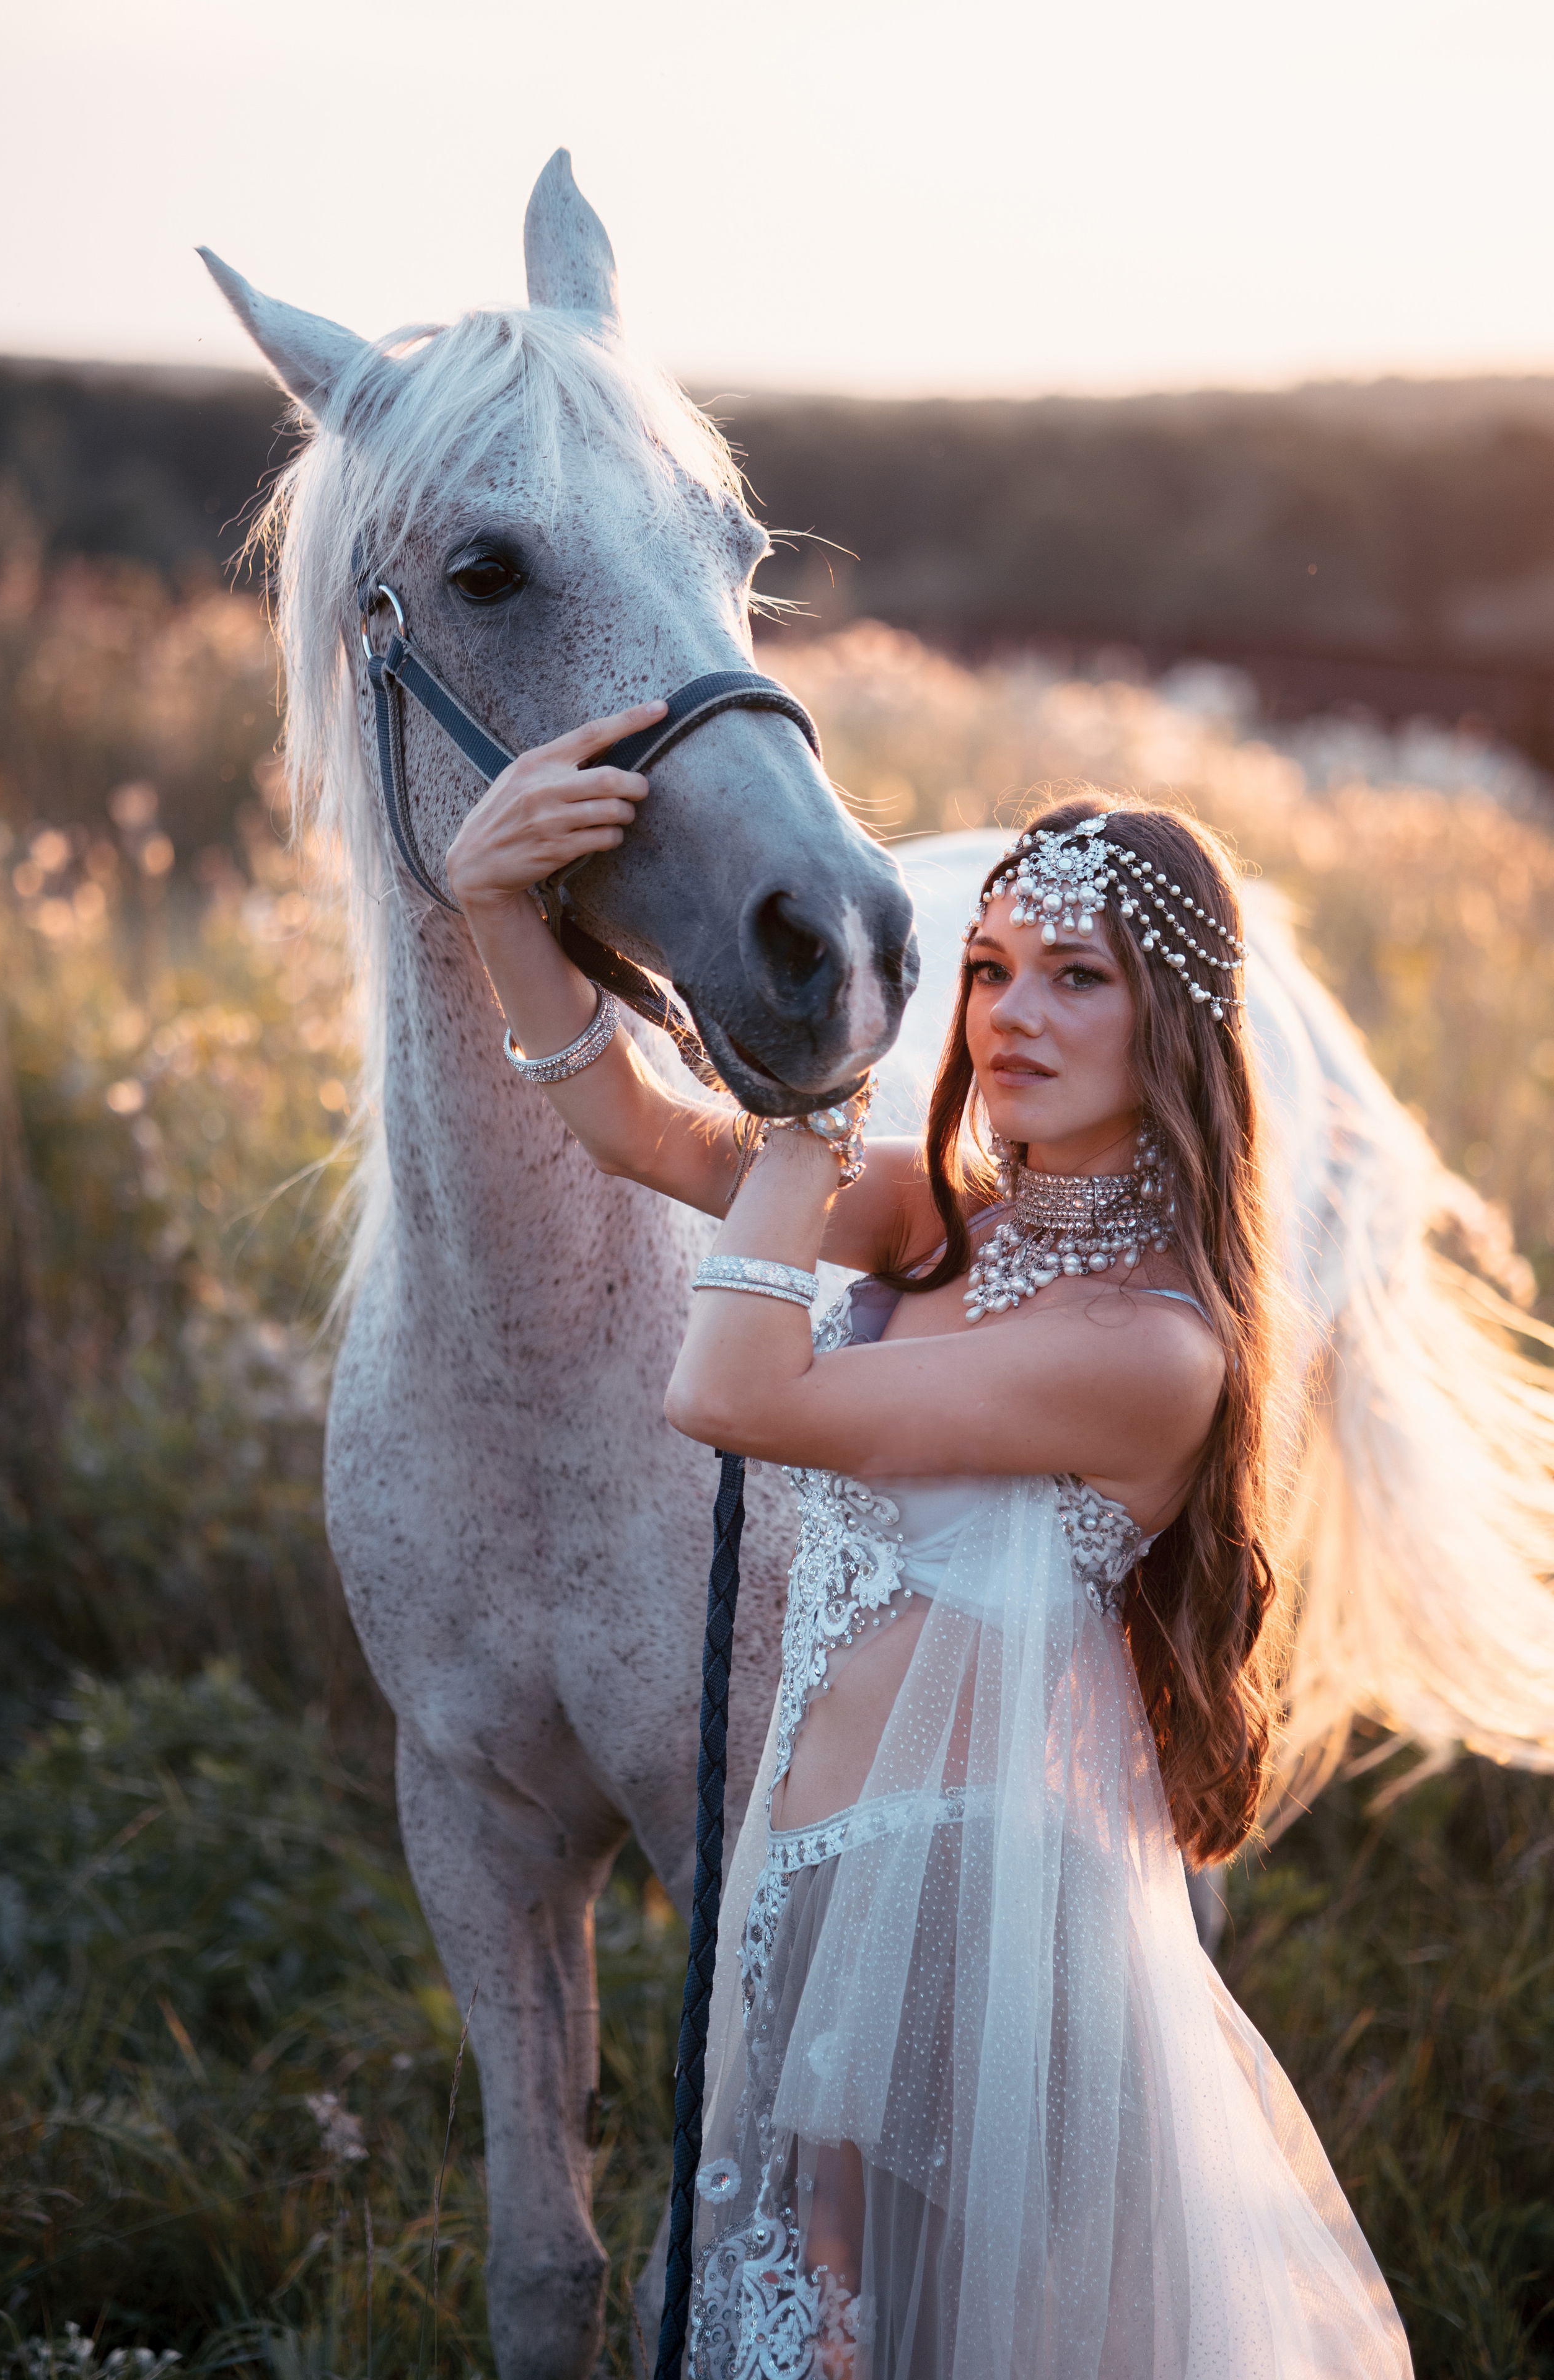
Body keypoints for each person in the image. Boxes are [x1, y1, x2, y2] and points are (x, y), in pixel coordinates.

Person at [446, 708, 1413, 2379]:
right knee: (814, 2336)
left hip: (980, 1929)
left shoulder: (1151, 1351)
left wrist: (815, 1109)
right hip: (817, 1886)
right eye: (990, 966)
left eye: (1078, 977)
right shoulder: (946, 1218)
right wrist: (496, 911)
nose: (1014, 1014)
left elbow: (730, 1386)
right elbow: (649, 1135)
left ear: (1171, 1020)